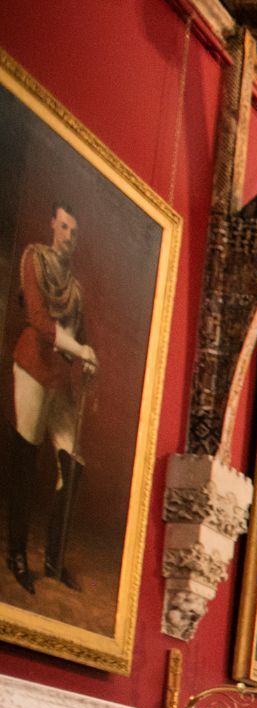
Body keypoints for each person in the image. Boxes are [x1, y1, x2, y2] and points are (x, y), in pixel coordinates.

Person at [8, 204, 95, 591]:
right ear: (52, 226)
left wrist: (86, 360)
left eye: (73, 232)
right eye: (63, 228)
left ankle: (53, 561)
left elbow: (82, 339)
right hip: (32, 364)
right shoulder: (34, 259)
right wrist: (81, 352)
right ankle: (16, 555)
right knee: (25, 459)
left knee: (72, 466)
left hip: (61, 378)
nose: (67, 237)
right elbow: (42, 324)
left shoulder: (75, 290)